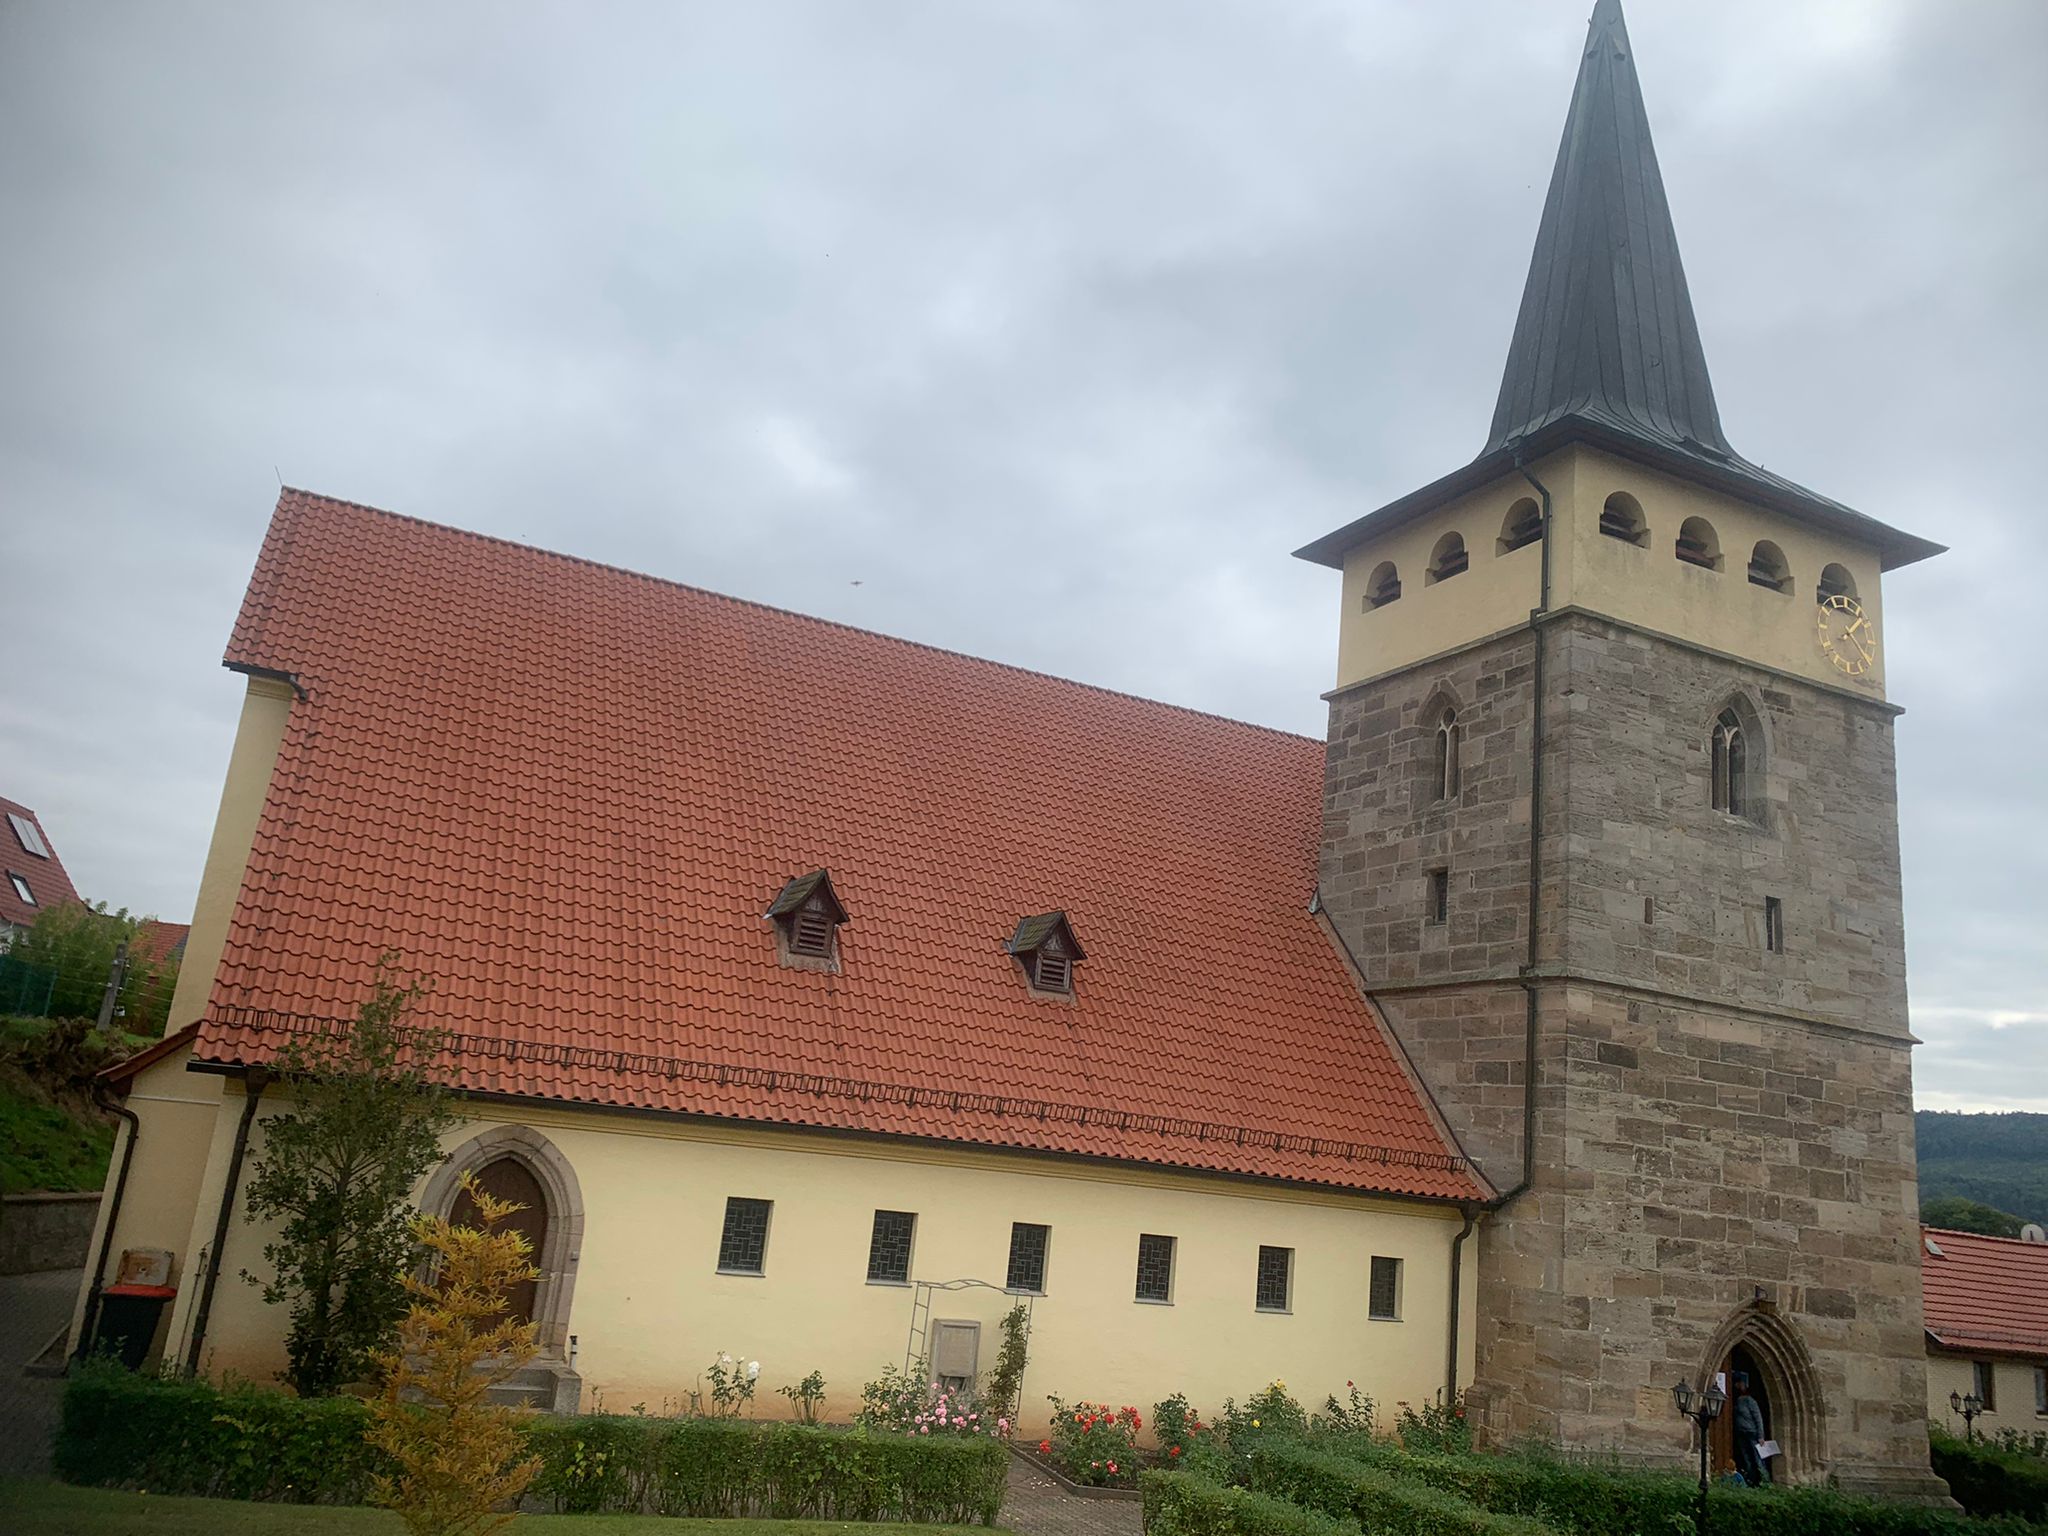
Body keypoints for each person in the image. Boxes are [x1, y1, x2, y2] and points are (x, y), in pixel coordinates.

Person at [1731, 1373, 1768, 1487]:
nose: (1738, 1386)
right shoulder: (1736, 1400)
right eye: (1737, 1384)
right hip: (1741, 1434)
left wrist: (1761, 1436)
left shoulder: (1750, 1401)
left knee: (1758, 1459)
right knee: (1747, 1459)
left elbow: (1758, 1418)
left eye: (1740, 1384)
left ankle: (1765, 1482)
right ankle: (1751, 1482)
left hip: (1752, 1434)